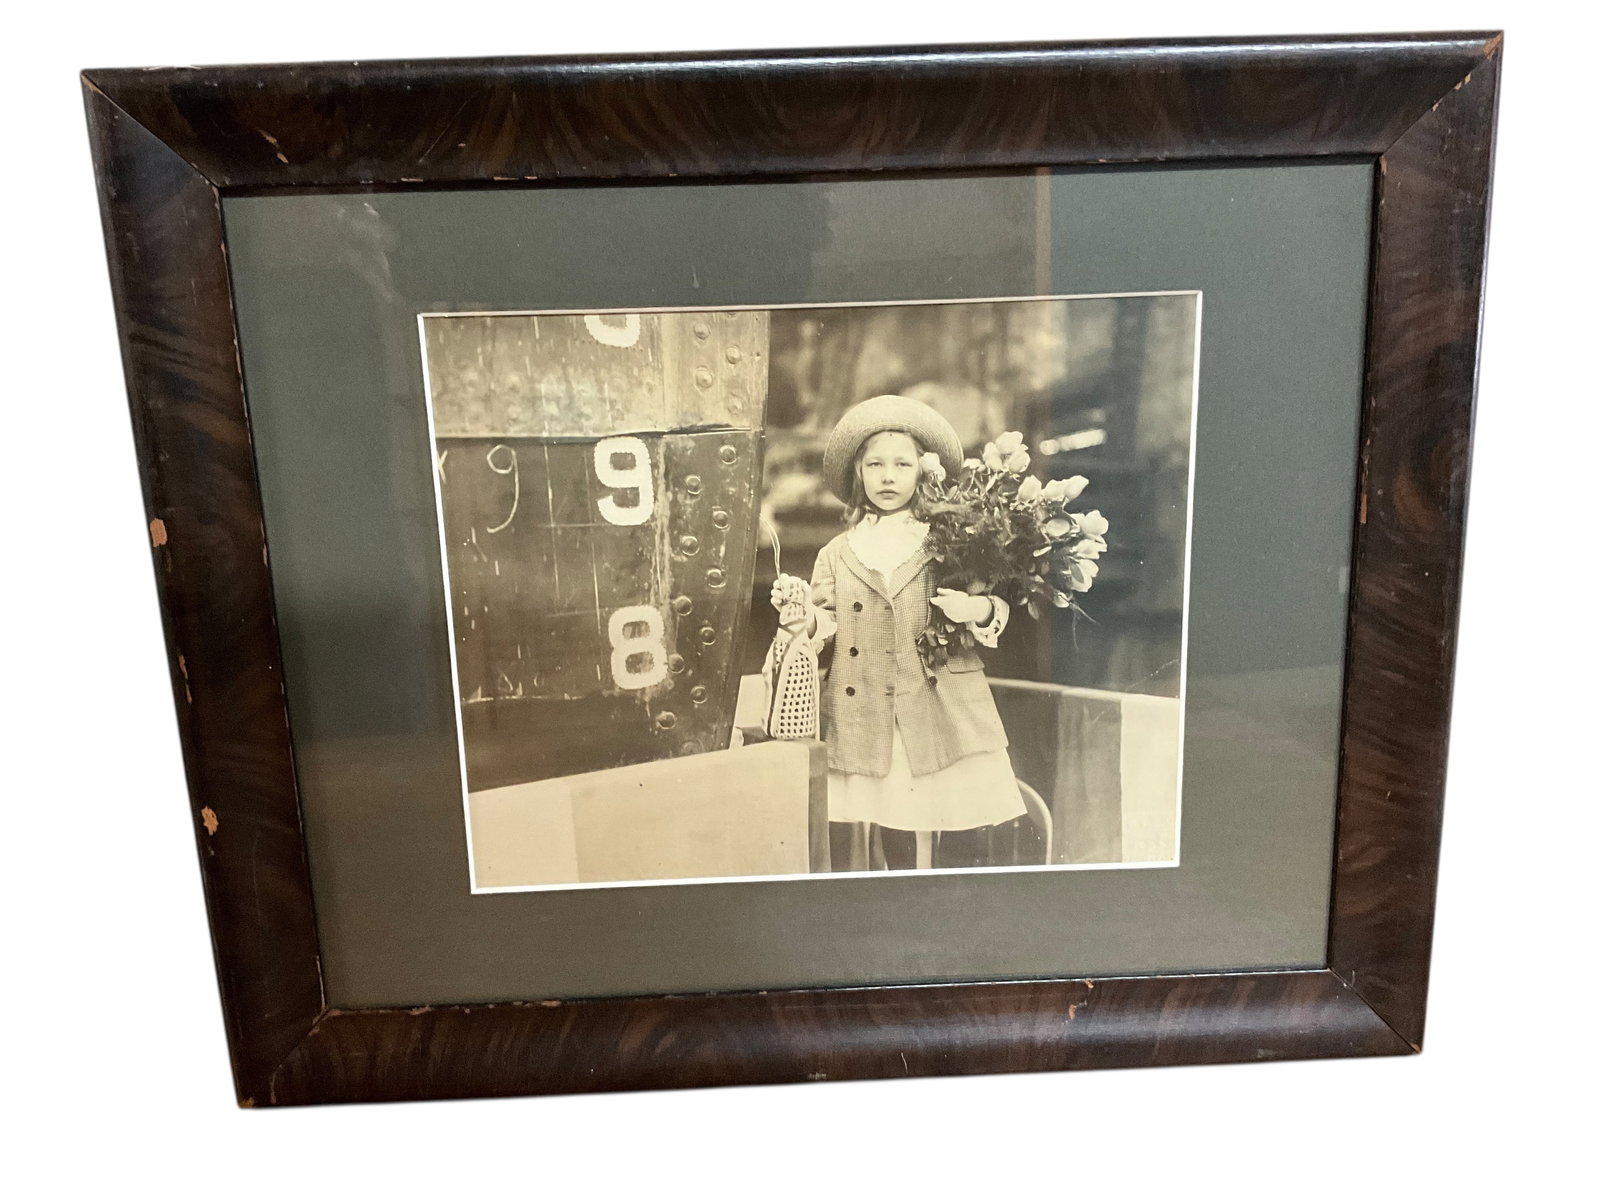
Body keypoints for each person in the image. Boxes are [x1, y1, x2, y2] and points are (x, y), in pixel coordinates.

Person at [769, 394, 1027, 871]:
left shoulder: (949, 539)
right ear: (858, 475)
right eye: (875, 464)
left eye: (902, 464)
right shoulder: (838, 551)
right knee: (896, 832)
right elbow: (828, 621)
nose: (888, 477)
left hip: (942, 707)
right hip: (870, 709)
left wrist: (975, 606)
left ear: (923, 472)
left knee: (963, 827)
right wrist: (804, 622)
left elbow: (997, 610)